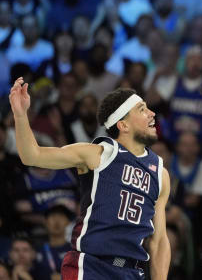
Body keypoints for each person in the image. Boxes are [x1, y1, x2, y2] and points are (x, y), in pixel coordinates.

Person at [9, 80, 171, 279]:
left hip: (131, 271)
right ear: (123, 124)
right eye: (142, 109)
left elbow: (159, 240)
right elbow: (32, 156)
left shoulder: (160, 173)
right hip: (91, 265)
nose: (152, 113)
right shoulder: (98, 154)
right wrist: (20, 114)